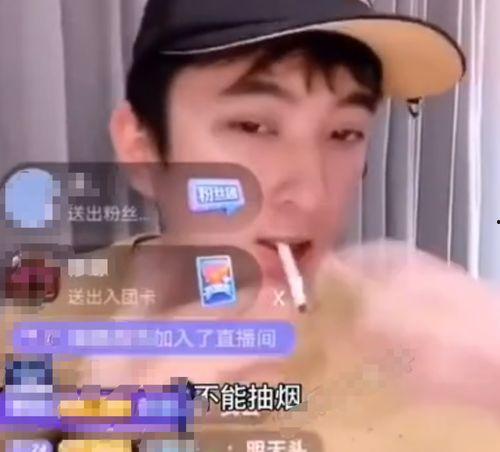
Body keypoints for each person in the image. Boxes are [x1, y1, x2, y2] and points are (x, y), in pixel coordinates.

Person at [3, 0, 500, 449]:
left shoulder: (442, 364)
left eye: (344, 133)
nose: (311, 194)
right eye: (254, 127)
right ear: (142, 147)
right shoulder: (31, 321)